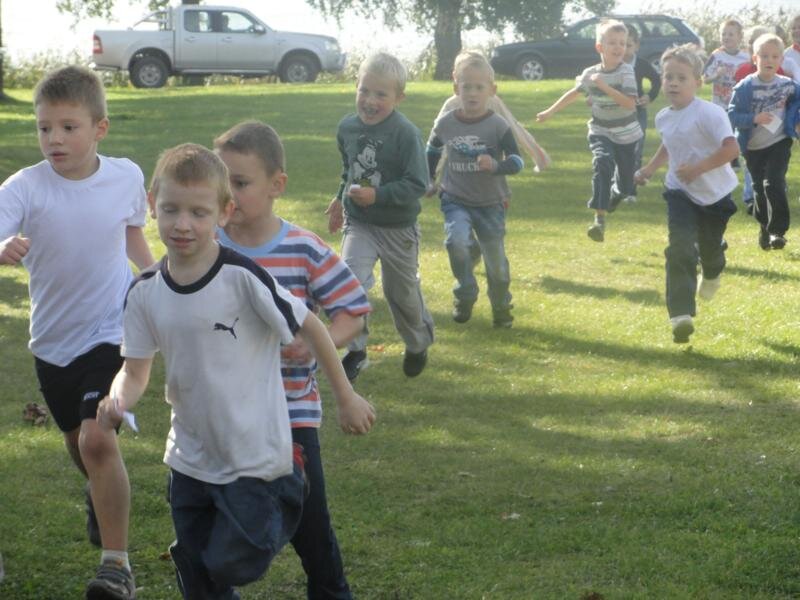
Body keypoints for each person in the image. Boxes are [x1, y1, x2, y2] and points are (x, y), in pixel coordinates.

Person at [96, 143, 376, 600]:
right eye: (171, 209)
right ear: (151, 205)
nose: (182, 224)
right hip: (189, 454)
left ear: (224, 213)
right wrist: (117, 400)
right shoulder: (144, 291)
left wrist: (346, 396)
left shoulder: (242, 276)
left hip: (255, 457)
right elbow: (135, 370)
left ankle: (290, 485)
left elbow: (311, 325)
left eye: (199, 213)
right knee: (198, 572)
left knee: (230, 561)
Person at [0, 65, 153, 600]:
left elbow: (132, 234)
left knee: (96, 437)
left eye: (68, 127)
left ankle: (117, 568)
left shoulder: (126, 176)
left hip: (111, 329)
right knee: (78, 442)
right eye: (44, 128)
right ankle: (98, 489)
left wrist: (155, 278)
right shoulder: (24, 187)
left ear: (99, 128)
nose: (54, 139)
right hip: (52, 343)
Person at [213, 120, 372, 599]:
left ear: (276, 185)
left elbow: (352, 313)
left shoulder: (302, 248)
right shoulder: (207, 247)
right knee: (216, 516)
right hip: (222, 413)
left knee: (310, 523)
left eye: (241, 183)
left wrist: (318, 343)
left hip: (292, 414)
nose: (230, 196)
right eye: (222, 184)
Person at [326, 52, 434, 380]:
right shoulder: (347, 127)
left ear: (399, 98)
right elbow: (349, 169)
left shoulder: (405, 133)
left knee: (400, 294)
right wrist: (339, 198)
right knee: (350, 280)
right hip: (359, 223)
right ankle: (356, 350)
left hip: (398, 229)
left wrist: (379, 195)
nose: (370, 101)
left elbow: (418, 183)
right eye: (364, 91)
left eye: (381, 94)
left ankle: (417, 342)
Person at [635, 45, 739, 344]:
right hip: (679, 192)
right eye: (668, 77)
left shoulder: (710, 113)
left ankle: (714, 267)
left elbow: (732, 149)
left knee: (709, 250)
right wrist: (649, 169)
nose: (673, 83)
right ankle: (680, 315)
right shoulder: (663, 117)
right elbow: (670, 143)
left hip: (715, 196)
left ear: (697, 82)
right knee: (679, 248)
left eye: (681, 78)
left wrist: (698, 169)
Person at [426, 51, 523, 327]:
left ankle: (501, 307)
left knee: (497, 265)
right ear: (456, 88)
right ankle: (465, 291)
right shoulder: (446, 122)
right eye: (466, 86)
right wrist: (429, 178)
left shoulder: (498, 125)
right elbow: (432, 149)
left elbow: (517, 162)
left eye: (479, 87)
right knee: (455, 241)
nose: (472, 93)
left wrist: (496, 165)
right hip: (455, 198)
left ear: (492, 90)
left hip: (491, 203)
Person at [536, 19, 642, 242]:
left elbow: (630, 104)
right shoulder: (590, 73)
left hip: (627, 134)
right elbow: (574, 93)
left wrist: (603, 86)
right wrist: (549, 111)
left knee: (625, 186)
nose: (619, 47)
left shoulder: (626, 72)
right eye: (612, 42)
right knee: (602, 162)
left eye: (622, 43)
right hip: (601, 129)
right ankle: (599, 220)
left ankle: (616, 194)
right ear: (599, 47)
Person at [729, 33, 800, 250]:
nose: (769, 60)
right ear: (755, 58)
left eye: (775, 56)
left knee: (774, 182)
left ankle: (778, 231)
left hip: (779, 141)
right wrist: (754, 118)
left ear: (781, 60)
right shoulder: (745, 87)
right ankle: (765, 228)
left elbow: (797, 102)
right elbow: (732, 116)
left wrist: (796, 122)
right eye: (764, 56)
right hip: (753, 147)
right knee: (759, 189)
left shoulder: (788, 85)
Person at [621, 25, 661, 190]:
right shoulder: (612, 64)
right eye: (620, 44)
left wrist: (649, 96)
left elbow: (657, 81)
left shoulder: (641, 64)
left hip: (637, 112)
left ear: (636, 45)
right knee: (618, 151)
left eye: (628, 45)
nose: (623, 49)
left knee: (636, 149)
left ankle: (631, 190)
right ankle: (617, 184)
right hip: (616, 114)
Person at [703, 19, 750, 109]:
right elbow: (705, 79)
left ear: (740, 37)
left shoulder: (746, 58)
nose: (726, 37)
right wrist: (716, 75)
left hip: (737, 105)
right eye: (723, 34)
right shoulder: (716, 55)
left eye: (730, 34)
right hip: (719, 106)